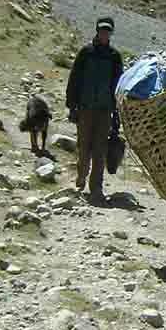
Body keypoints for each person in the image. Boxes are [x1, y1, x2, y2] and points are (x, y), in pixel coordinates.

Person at [65, 17, 124, 204]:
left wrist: (117, 113)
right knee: (84, 147)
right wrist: (71, 105)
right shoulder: (86, 52)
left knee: (100, 150)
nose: (104, 34)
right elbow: (74, 78)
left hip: (105, 110)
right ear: (97, 31)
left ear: (111, 33)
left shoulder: (115, 56)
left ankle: (96, 187)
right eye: (102, 31)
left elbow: (118, 85)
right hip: (85, 108)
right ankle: (81, 178)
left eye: (108, 31)